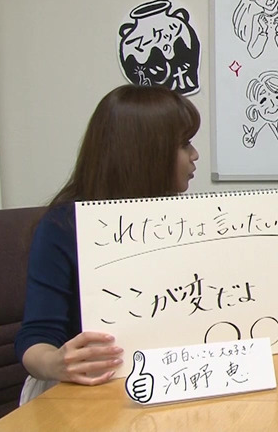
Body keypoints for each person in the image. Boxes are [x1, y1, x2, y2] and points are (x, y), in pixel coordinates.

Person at [15, 84, 200, 403]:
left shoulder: (186, 220)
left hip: (170, 376)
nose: (195, 155)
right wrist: (56, 362)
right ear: (146, 154)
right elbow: (36, 338)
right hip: (84, 388)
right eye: (184, 144)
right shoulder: (62, 227)